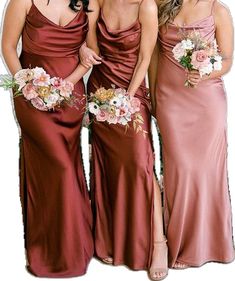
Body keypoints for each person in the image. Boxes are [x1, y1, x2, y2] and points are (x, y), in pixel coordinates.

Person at [2, 0, 94, 277]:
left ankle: (76, 245)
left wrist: (70, 81)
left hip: (71, 96)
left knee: (68, 166)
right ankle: (49, 251)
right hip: (32, 98)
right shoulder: (22, 2)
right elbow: (8, 47)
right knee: (57, 169)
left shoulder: (87, 3)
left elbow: (90, 53)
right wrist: (27, 85)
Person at [82, 0, 168, 280]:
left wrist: (127, 99)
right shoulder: (96, 2)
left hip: (131, 91)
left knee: (141, 164)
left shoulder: (146, 6)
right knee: (106, 164)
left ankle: (158, 244)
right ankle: (110, 240)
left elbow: (145, 58)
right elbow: (93, 47)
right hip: (100, 89)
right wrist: (84, 50)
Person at [149, 0, 235, 269]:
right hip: (170, 100)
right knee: (180, 170)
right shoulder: (161, 5)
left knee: (208, 172)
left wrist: (207, 70)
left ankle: (210, 244)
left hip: (207, 102)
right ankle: (179, 242)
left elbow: (228, 59)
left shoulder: (218, 11)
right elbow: (153, 56)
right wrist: (153, 97)